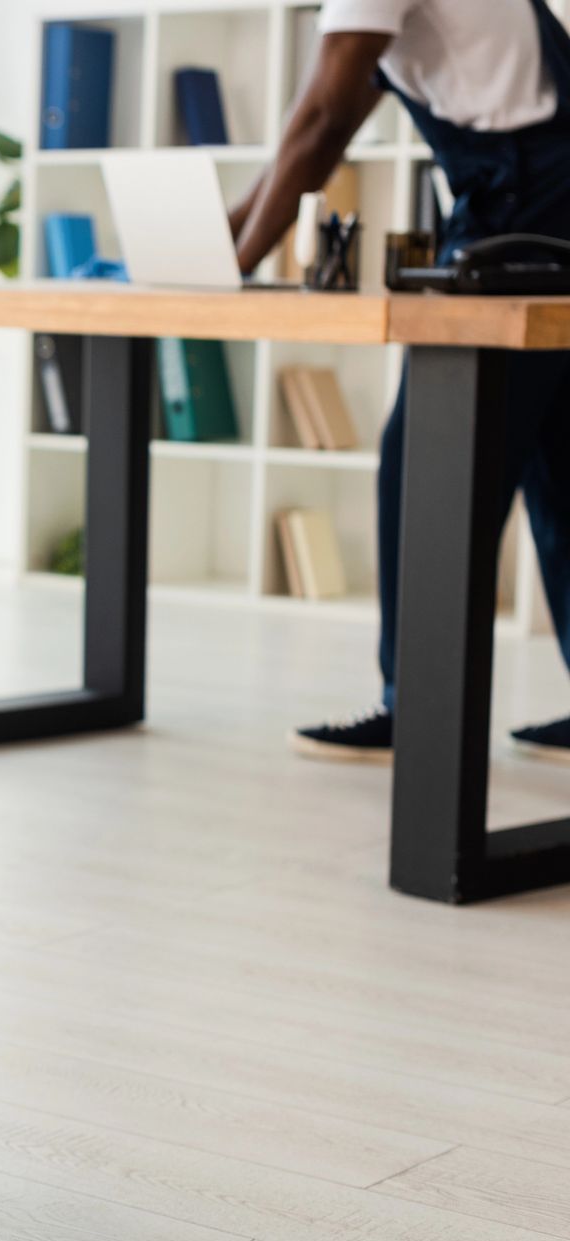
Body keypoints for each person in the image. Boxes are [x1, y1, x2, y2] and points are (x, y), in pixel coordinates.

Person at [230, 0, 570, 763]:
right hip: (531, 196)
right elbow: (329, 118)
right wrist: (228, 237)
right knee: (560, 464)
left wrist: (236, 262)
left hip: (523, 203)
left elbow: (319, 125)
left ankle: (416, 705)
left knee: (431, 458)